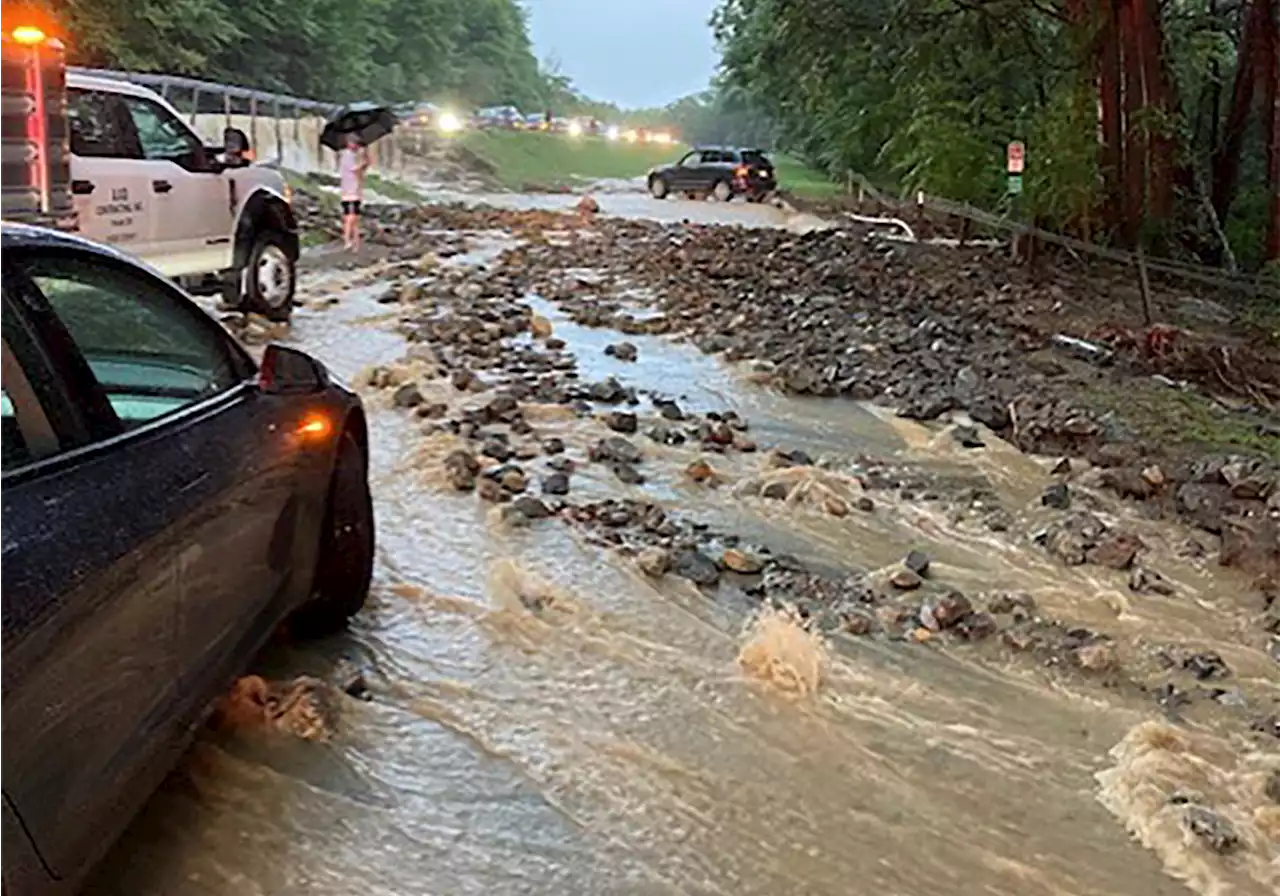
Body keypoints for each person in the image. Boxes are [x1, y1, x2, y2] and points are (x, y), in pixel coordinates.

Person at [338, 134, 369, 251]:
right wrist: (364, 163)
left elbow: (359, 172)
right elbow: (355, 170)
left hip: (353, 189)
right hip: (350, 190)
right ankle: (347, 240)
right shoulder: (347, 155)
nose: (355, 145)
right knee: (351, 218)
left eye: (356, 143)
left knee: (354, 218)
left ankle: (355, 243)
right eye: (353, 143)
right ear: (348, 143)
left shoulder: (352, 155)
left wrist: (364, 164)